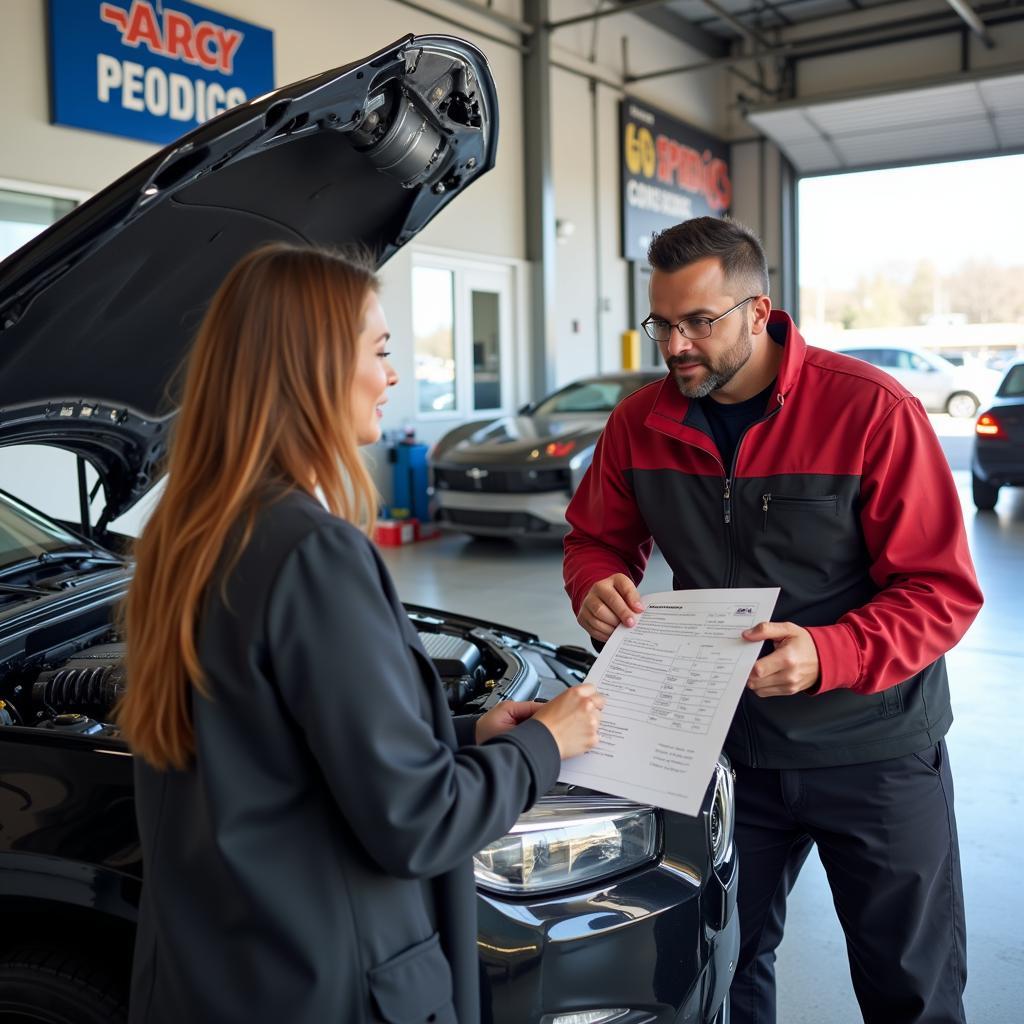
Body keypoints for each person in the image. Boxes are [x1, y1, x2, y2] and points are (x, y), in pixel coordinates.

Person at [119, 243, 604, 1024]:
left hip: (213, 978)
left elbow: (266, 744)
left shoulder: (189, 540)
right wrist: (545, 742)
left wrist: (467, 732)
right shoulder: (312, 552)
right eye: (379, 350)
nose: (392, 376)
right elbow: (418, 823)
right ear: (308, 366)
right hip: (329, 988)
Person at [562, 216, 983, 1024]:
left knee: (912, 986)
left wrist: (831, 653)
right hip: (720, 750)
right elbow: (594, 539)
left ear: (760, 312)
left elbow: (941, 588)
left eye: (699, 322)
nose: (676, 345)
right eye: (662, 324)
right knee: (721, 968)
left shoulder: (871, 410)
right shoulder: (638, 421)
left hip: (874, 749)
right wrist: (597, 582)